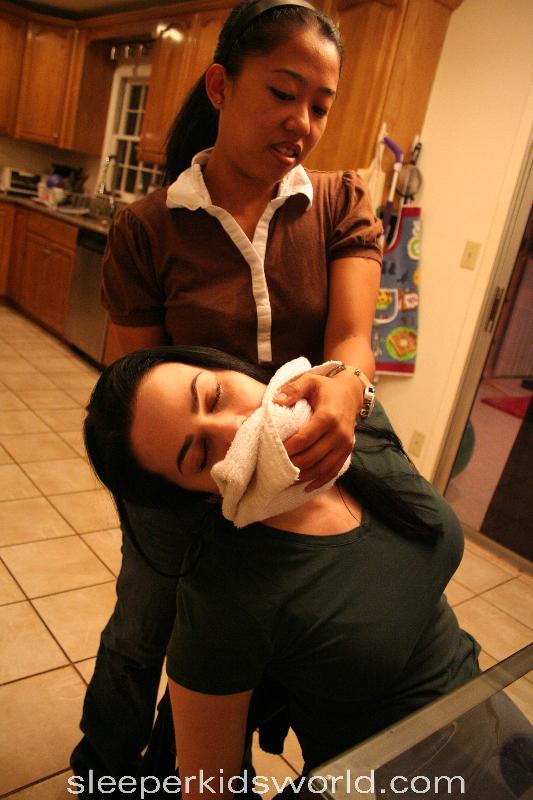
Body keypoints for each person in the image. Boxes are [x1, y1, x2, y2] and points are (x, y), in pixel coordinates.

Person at [72, 0, 384, 783]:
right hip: (186, 478)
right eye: (282, 92)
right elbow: (137, 384)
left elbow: (351, 340)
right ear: (220, 86)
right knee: (143, 630)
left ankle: (188, 770)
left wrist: (345, 386)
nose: (302, 122)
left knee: (233, 653)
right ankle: (104, 768)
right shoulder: (149, 228)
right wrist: (188, 481)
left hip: (290, 479)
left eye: (320, 105)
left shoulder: (338, 204)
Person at [83, 344, 490, 796]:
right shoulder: (222, 596)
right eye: (200, 456)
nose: (235, 428)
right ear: (202, 493)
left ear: (232, 367)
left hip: (482, 708)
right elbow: (208, 789)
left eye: (215, 396)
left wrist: (352, 383)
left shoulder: (354, 425)